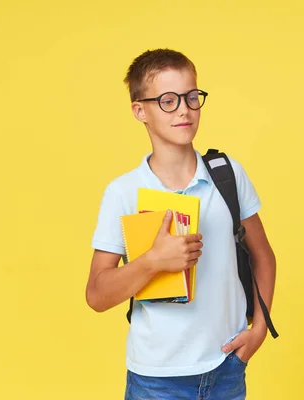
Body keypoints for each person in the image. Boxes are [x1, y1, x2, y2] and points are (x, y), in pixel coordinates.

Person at [85, 48, 277, 400]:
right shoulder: (123, 192)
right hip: (156, 380)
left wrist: (259, 331)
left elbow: (263, 255)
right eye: (168, 101)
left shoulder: (227, 174)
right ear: (140, 110)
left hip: (226, 369)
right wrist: (153, 261)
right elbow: (97, 295)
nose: (185, 110)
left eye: (191, 97)